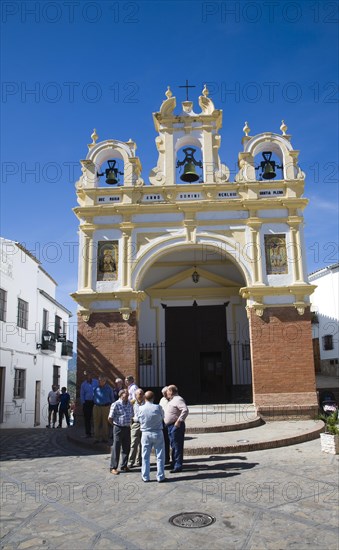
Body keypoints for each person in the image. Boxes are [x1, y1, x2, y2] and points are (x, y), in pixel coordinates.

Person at [137, 390, 166, 483]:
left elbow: (138, 419)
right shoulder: (158, 407)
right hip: (157, 432)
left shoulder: (141, 408)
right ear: (153, 398)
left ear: (145, 398)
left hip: (145, 433)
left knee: (145, 455)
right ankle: (160, 476)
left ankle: (145, 476)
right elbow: (163, 417)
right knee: (160, 455)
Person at [108, 389, 134, 475]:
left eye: (128, 394)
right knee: (116, 447)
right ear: (121, 395)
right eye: (125, 394)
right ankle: (113, 467)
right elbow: (110, 418)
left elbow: (132, 415)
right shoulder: (115, 404)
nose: (127, 396)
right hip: (118, 428)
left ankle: (124, 465)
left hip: (127, 428)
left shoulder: (130, 404)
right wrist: (115, 426)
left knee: (126, 447)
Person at [164, 385, 189, 473]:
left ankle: (178, 465)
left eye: (167, 391)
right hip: (170, 426)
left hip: (176, 426)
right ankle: (174, 463)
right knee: (173, 446)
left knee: (177, 446)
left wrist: (179, 421)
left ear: (171, 391)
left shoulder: (178, 399)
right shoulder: (172, 400)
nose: (166, 393)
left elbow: (185, 410)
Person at [93, 375, 114, 443]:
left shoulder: (109, 388)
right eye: (99, 380)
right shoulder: (95, 388)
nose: (99, 382)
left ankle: (105, 438)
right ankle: (96, 438)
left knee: (105, 423)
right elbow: (93, 397)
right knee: (96, 422)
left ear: (104, 381)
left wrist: (111, 407)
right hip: (96, 407)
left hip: (105, 407)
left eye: (101, 380)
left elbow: (112, 398)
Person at [128, 388, 145, 469]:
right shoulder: (132, 403)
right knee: (133, 443)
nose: (141, 395)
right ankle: (131, 461)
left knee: (142, 444)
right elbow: (129, 412)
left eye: (142, 393)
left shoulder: (146, 402)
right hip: (135, 424)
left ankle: (140, 461)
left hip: (144, 425)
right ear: (135, 395)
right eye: (140, 394)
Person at [80, 373, 98, 438]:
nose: (89, 377)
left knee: (96, 417)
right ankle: (88, 433)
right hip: (87, 402)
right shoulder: (83, 384)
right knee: (87, 418)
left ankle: (97, 433)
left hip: (95, 402)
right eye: (88, 376)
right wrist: (83, 403)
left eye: (90, 376)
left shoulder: (96, 382)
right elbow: (82, 394)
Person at [159, 386, 171, 465]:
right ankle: (166, 458)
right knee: (165, 441)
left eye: (165, 393)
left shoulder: (173, 399)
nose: (164, 395)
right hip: (163, 422)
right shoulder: (162, 400)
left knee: (171, 442)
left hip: (171, 423)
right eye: (163, 394)